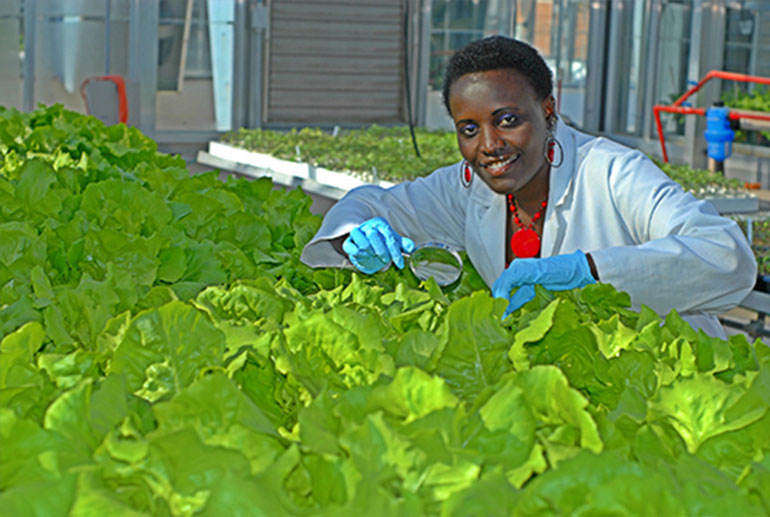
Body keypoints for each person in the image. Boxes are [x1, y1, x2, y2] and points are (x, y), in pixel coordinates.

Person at [301, 35, 756, 339]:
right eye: (469, 129)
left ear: (548, 110)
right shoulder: (466, 186)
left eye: (508, 120)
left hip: (668, 386)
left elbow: (726, 256)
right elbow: (370, 204)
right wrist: (354, 236)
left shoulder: (613, 172)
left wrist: (588, 273)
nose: (490, 146)